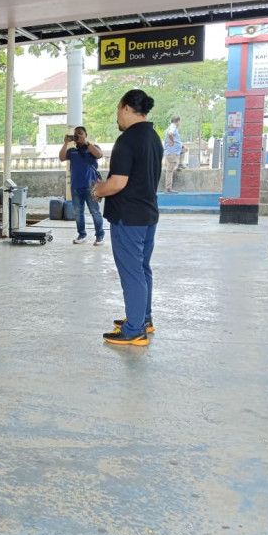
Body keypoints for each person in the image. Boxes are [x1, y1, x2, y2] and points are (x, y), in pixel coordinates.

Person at [92, 89, 163, 346]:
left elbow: (118, 183)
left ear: (125, 108)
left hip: (128, 218)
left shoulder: (127, 140)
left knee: (132, 273)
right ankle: (143, 318)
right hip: (147, 214)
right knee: (142, 269)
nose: (117, 117)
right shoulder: (153, 137)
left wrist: (98, 190)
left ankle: (134, 329)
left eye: (117, 110)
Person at [58, 126, 105, 246]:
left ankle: (99, 236)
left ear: (85, 135)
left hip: (91, 186)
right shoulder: (72, 151)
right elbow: (62, 158)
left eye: (80, 133)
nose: (77, 135)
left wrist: (86, 143)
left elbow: (99, 154)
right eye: (76, 134)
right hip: (76, 186)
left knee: (95, 211)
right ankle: (82, 234)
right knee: (78, 213)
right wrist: (65, 144)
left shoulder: (93, 147)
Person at [163, 116, 183, 193]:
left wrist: (182, 146)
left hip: (173, 151)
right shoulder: (173, 127)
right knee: (170, 171)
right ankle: (168, 188)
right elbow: (170, 134)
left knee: (183, 152)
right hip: (172, 152)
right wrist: (172, 141)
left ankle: (180, 164)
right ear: (177, 121)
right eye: (179, 121)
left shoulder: (171, 127)